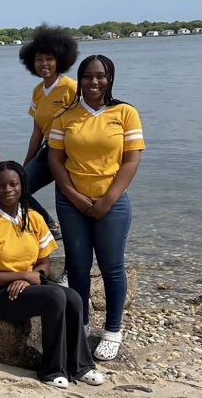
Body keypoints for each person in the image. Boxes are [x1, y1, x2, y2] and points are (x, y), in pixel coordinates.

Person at [0, 161, 104, 389]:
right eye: (1, 186)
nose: (8, 190)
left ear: (22, 186)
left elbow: (44, 263)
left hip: (26, 285)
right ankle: (51, 370)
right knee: (55, 298)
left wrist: (28, 276)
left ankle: (80, 366)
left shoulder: (33, 218)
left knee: (73, 297)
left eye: (13, 184)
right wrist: (21, 276)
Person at [48, 54, 144, 361]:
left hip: (111, 202)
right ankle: (83, 323)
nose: (94, 82)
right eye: (87, 76)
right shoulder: (66, 115)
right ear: (80, 79)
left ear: (110, 78)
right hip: (71, 201)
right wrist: (74, 196)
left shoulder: (125, 112)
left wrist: (107, 199)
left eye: (100, 76)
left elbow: (131, 160)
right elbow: (55, 160)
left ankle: (113, 330)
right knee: (77, 267)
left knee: (112, 267)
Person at [18, 25, 79, 239]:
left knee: (68, 205)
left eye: (49, 59)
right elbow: (37, 132)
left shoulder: (70, 87)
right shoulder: (37, 91)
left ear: (59, 60)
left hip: (69, 155)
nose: (44, 64)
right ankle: (50, 226)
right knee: (18, 189)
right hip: (47, 152)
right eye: (38, 59)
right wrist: (25, 165)